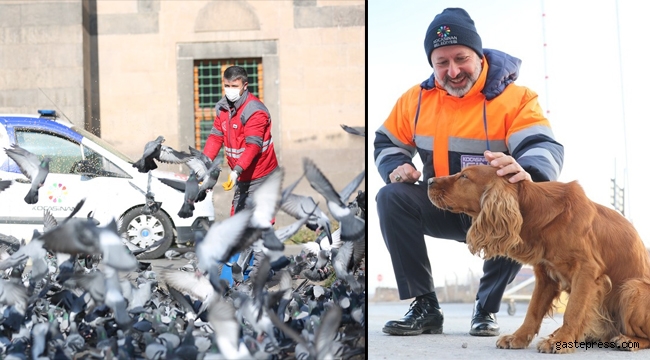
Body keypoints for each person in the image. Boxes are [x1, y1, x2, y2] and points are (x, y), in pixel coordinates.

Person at [373, 8, 564, 337]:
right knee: (390, 197)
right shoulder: (415, 101)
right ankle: (424, 306)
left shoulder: (516, 98)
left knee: (519, 202)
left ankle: (485, 308)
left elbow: (542, 144)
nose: (453, 70)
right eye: (442, 63)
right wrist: (395, 167)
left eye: (461, 58)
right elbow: (385, 142)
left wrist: (527, 169)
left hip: (493, 207)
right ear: (432, 64)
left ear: (478, 55)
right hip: (443, 203)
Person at [202, 65, 279, 278]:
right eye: (226, 85)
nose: (229, 90)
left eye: (234, 86)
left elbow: (253, 146)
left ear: (245, 86)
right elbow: (216, 136)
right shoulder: (223, 108)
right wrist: (204, 163)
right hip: (244, 176)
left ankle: (259, 273)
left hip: (263, 175)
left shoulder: (255, 111)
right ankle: (242, 267)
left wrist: (236, 170)